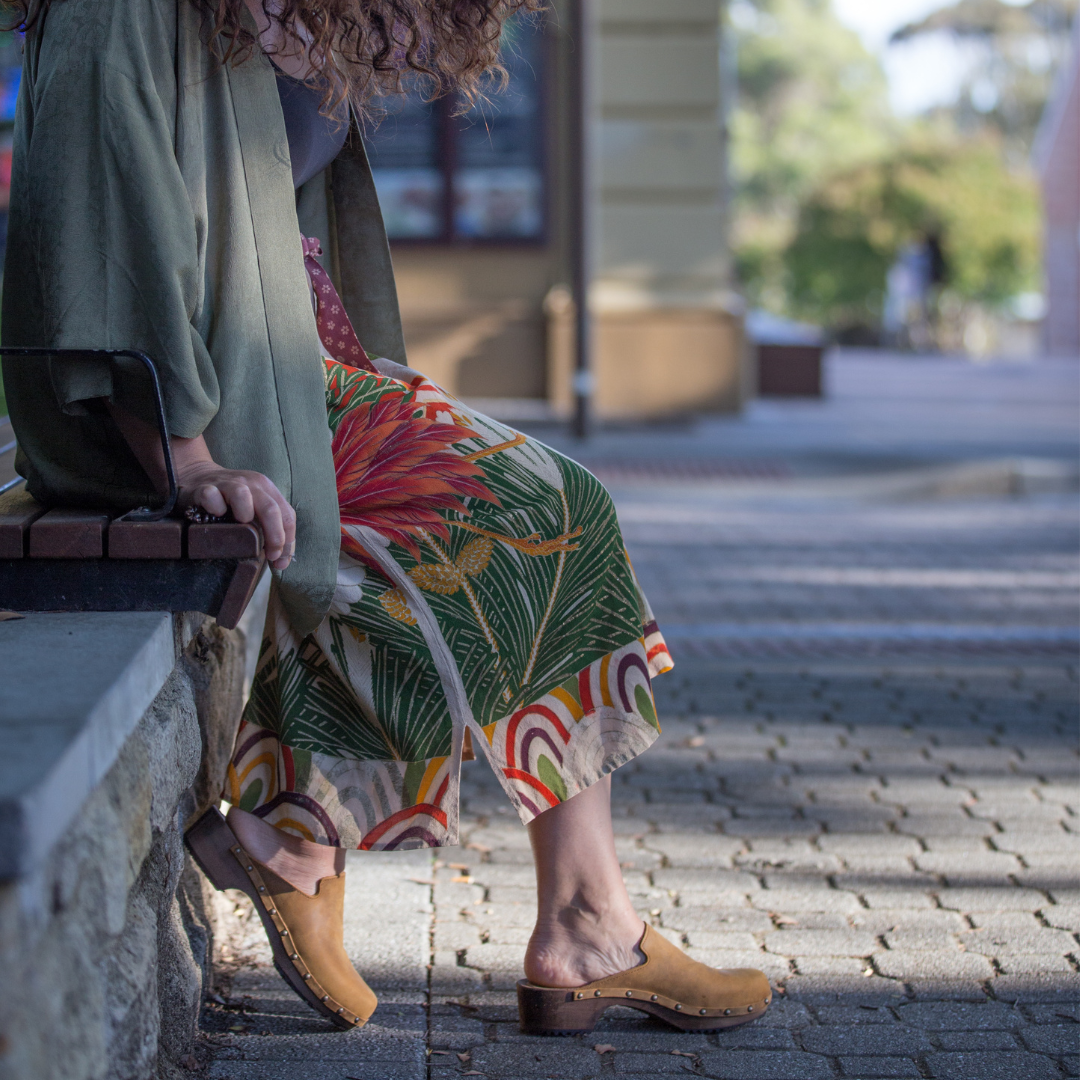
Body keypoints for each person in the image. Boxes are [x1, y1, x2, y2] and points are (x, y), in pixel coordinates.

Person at [1, 0, 770, 1036]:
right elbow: (96, 220)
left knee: (456, 533)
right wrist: (185, 457)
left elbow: (284, 222)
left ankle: (303, 833)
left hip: (280, 378)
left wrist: (354, 365)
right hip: (179, 409)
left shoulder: (293, 14)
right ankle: (576, 920)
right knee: (550, 511)